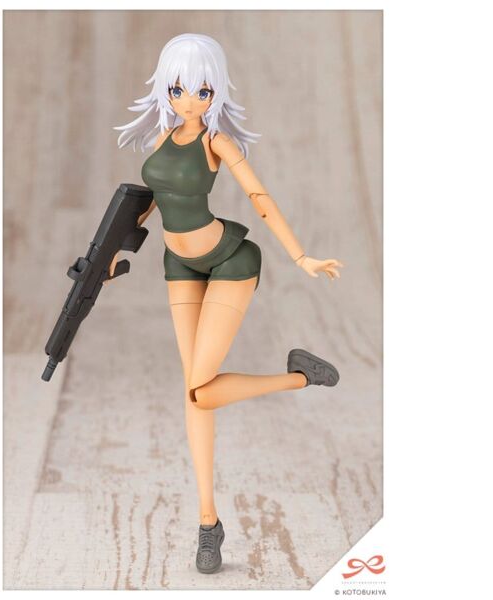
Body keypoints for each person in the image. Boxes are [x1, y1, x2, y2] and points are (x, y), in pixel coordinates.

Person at [113, 33, 343, 575]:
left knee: (199, 388)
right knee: (195, 395)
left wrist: (301, 256)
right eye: (177, 89)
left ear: (215, 91)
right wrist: (112, 252)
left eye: (201, 90)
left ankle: (300, 378)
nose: (188, 100)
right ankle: (207, 522)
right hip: (178, 265)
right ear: (165, 88)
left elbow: (260, 199)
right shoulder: (165, 134)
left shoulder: (217, 142)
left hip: (228, 260)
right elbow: (151, 204)